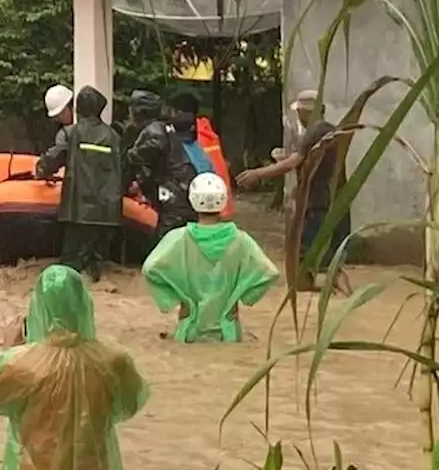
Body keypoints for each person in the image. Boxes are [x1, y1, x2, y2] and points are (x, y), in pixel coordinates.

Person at [0, 264, 149, 470]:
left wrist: (8, 351)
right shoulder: (114, 360)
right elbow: (131, 403)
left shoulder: (22, 364)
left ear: (38, 308)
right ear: (83, 303)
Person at [237, 89, 352, 295]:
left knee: (320, 254)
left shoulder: (317, 131)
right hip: (328, 200)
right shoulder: (328, 131)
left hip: (320, 202)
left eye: (299, 111)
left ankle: (345, 291)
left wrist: (258, 173)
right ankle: (307, 285)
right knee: (305, 251)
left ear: (306, 112)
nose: (297, 116)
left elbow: (293, 162)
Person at [142, 172, 279, 343]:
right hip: (228, 333)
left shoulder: (178, 238)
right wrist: (242, 296)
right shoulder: (241, 240)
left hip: (189, 332)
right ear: (223, 201)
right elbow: (269, 272)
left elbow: (150, 269)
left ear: (192, 200)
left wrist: (179, 299)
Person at [35, 86, 123, 282]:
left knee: (72, 262)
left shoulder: (70, 134)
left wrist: (40, 171)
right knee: (97, 262)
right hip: (107, 212)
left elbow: (52, 159)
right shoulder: (114, 137)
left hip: (79, 211)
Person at [119, 89, 198, 262]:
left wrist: (121, 187)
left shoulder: (154, 133)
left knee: (166, 246)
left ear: (139, 111)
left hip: (175, 195)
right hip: (178, 191)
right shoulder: (160, 129)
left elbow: (135, 160)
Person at [169, 92, 236, 219]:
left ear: (178, 113)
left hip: (201, 204)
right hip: (217, 203)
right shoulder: (207, 132)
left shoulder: (189, 136)